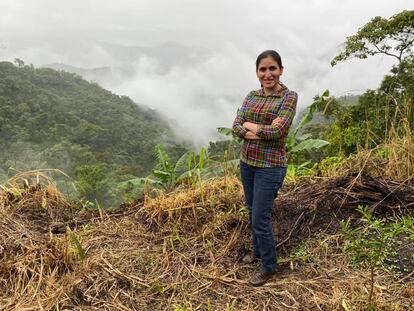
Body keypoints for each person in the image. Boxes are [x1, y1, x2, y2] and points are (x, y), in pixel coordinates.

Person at [232, 50, 297, 286]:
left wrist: (251, 127)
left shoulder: (288, 97)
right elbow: (235, 126)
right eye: (263, 69)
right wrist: (260, 130)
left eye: (272, 68)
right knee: (251, 210)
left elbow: (278, 131)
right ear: (257, 73)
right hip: (247, 163)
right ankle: (257, 252)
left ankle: (269, 266)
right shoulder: (251, 96)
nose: (268, 74)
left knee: (260, 216)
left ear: (280, 70)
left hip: (270, 166)